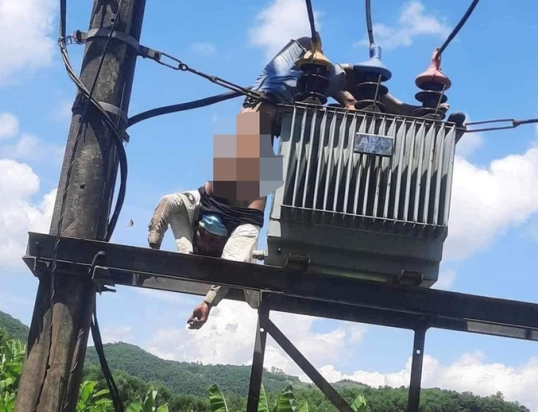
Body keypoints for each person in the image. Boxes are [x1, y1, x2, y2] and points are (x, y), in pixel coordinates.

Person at [147, 35, 437, 329]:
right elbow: (233, 262)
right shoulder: (247, 216)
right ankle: (403, 110)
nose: (208, 238)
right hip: (284, 106)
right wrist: (208, 302)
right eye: (212, 242)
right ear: (222, 242)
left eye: (203, 238)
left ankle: (376, 100)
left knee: (328, 69)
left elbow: (174, 206)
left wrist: (165, 247)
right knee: (349, 81)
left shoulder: (207, 197)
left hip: (268, 96)